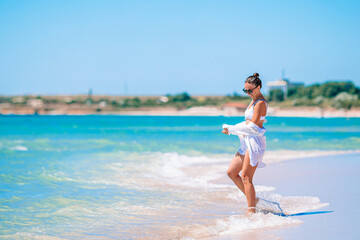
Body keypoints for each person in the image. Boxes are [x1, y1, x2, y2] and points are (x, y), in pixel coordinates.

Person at [222, 73, 268, 214]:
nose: (248, 93)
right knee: (231, 172)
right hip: (245, 142)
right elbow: (247, 122)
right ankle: (253, 199)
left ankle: (251, 211)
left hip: (254, 142)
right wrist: (231, 127)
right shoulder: (253, 100)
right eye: (245, 91)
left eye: (250, 90)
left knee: (246, 177)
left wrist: (231, 129)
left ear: (258, 87)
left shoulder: (260, 103)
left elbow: (253, 127)